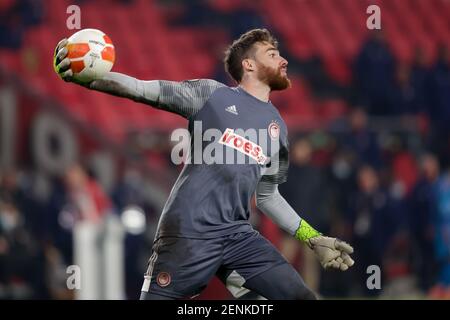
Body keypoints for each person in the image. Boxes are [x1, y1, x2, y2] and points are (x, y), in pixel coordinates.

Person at [53, 28, 354, 300]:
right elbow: (141, 89)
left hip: (237, 234)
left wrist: (312, 238)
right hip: (188, 231)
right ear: (248, 64)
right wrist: (89, 78)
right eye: (273, 54)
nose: (284, 60)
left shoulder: (278, 127)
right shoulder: (211, 95)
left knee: (300, 297)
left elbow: (267, 197)